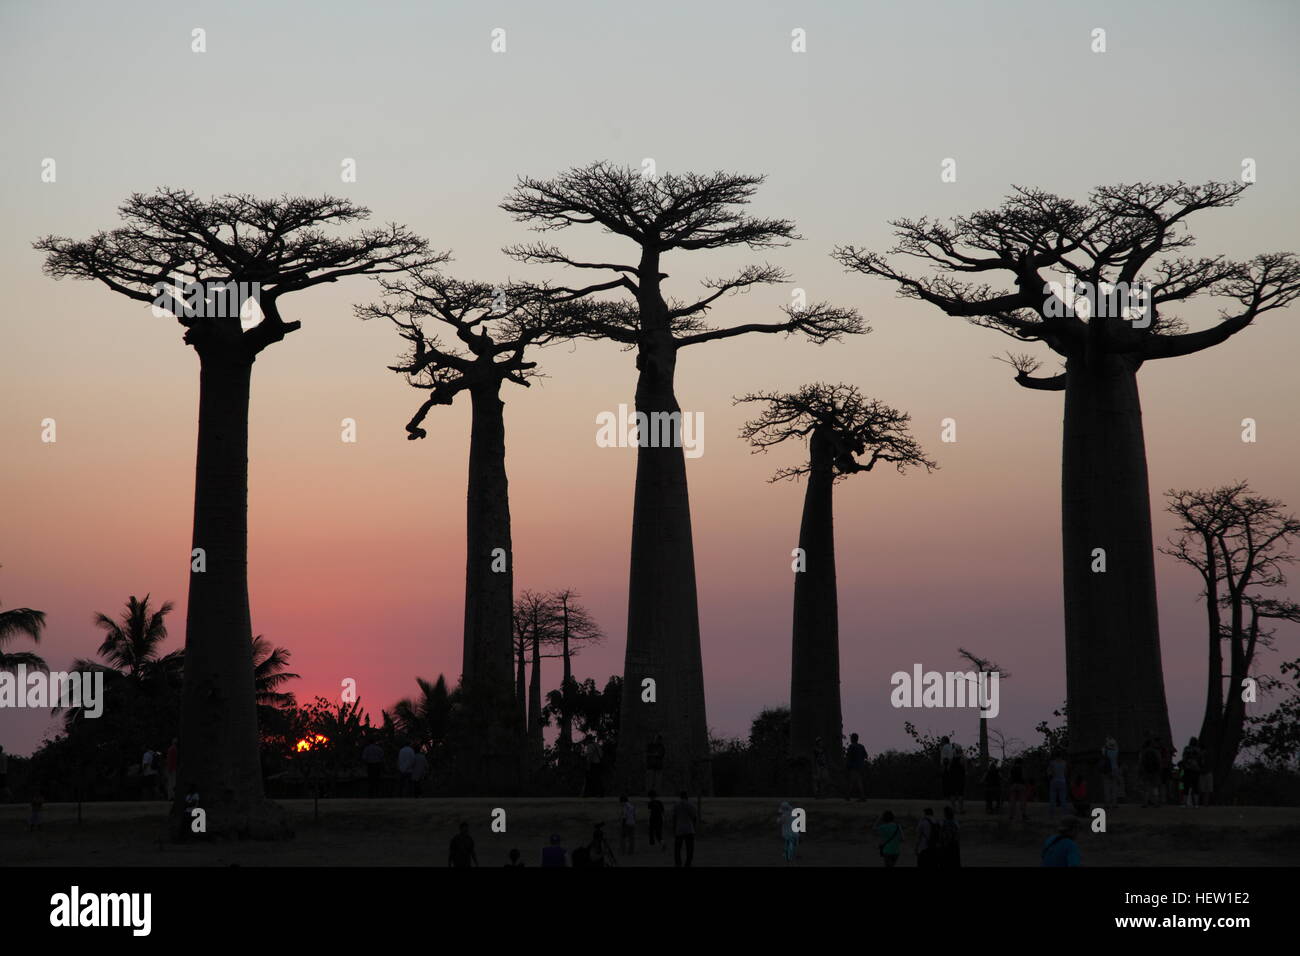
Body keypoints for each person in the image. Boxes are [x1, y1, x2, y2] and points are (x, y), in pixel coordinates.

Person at [672, 791, 697, 867]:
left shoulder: (676, 805)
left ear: (680, 797)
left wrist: (674, 827)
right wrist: (694, 827)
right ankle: (688, 863)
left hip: (679, 829)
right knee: (689, 849)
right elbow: (694, 817)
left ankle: (678, 863)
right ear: (687, 796)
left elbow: (674, 817)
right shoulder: (690, 805)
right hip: (689, 829)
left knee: (677, 849)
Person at [1139, 736, 1162, 807]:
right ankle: (1156, 802)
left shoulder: (1143, 752)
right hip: (1155, 772)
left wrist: (1141, 771)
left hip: (1146, 771)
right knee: (1155, 787)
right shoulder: (1156, 751)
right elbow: (1159, 761)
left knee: (1146, 788)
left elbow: (1141, 762)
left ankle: (1145, 803)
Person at [844, 732, 868, 801]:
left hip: (853, 767)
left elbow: (848, 757)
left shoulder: (851, 747)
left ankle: (848, 796)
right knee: (858, 781)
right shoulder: (861, 746)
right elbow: (866, 756)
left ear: (852, 739)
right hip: (860, 766)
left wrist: (847, 766)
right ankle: (862, 796)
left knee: (852, 781)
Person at [1181, 737, 1203, 807]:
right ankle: (1196, 804)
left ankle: (1184, 803)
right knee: (1195, 787)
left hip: (1187, 770)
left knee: (1186, 787)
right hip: (1196, 770)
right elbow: (1201, 760)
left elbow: (1183, 758)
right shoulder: (1198, 750)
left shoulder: (1186, 749)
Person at [1047, 749, 1069, 817]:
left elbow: (1049, 773)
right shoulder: (1064, 763)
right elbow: (1065, 773)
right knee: (1063, 798)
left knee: (1052, 798)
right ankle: (1065, 814)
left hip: (1054, 780)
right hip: (1062, 781)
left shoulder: (1052, 763)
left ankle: (1051, 814)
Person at [1100, 736, 1120, 809]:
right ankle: (1114, 803)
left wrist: (1107, 742)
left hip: (1106, 770)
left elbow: (1103, 748)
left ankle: (1107, 803)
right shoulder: (1116, 751)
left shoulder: (1105, 751)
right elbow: (1116, 746)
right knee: (1114, 787)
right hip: (1115, 769)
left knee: (1106, 787)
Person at [948, 746, 966, 812]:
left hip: (952, 778)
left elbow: (949, 768)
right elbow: (964, 768)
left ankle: (953, 808)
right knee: (960, 793)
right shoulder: (962, 759)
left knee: (952, 793)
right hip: (960, 778)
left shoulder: (951, 759)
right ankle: (960, 809)